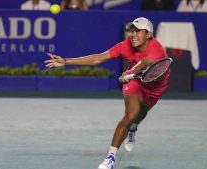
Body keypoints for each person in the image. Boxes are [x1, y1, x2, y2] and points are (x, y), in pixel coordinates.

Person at [45, 17, 170, 169]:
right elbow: (98, 58)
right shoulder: (125, 45)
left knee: (141, 113)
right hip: (136, 83)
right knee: (131, 113)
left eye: (138, 31)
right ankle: (110, 158)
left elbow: (143, 64)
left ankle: (133, 127)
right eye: (131, 31)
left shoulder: (156, 48)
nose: (133, 34)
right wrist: (66, 61)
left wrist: (129, 72)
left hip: (155, 86)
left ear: (149, 34)